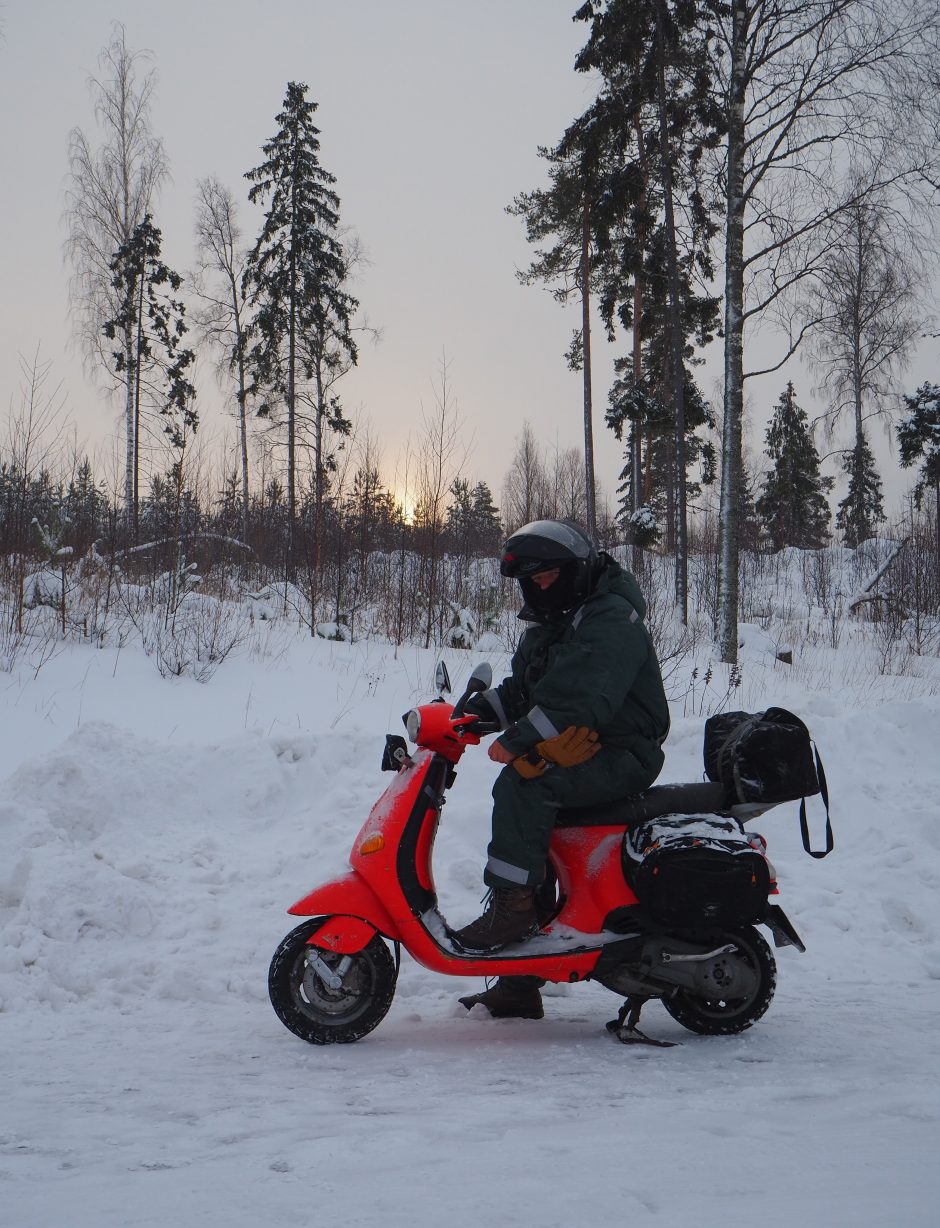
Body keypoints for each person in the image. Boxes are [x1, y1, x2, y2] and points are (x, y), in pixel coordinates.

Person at [452, 519, 670, 1020]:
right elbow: (527, 690)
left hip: (622, 752)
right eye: (532, 580)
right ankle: (518, 982)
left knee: (522, 786)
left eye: (547, 577)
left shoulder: (609, 618)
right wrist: (477, 714)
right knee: (536, 839)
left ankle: (514, 911)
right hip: (589, 743)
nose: (538, 587)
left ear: (574, 571)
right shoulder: (558, 620)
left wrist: (519, 741)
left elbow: (578, 699)